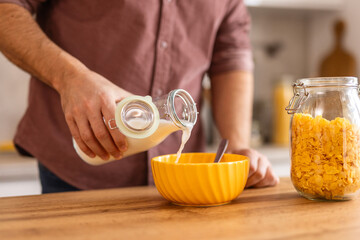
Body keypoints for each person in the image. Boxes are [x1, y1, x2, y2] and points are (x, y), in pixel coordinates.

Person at [0, 0, 279, 193]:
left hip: (179, 178)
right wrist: (71, 78)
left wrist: (238, 146)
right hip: (75, 165)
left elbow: (231, 58)